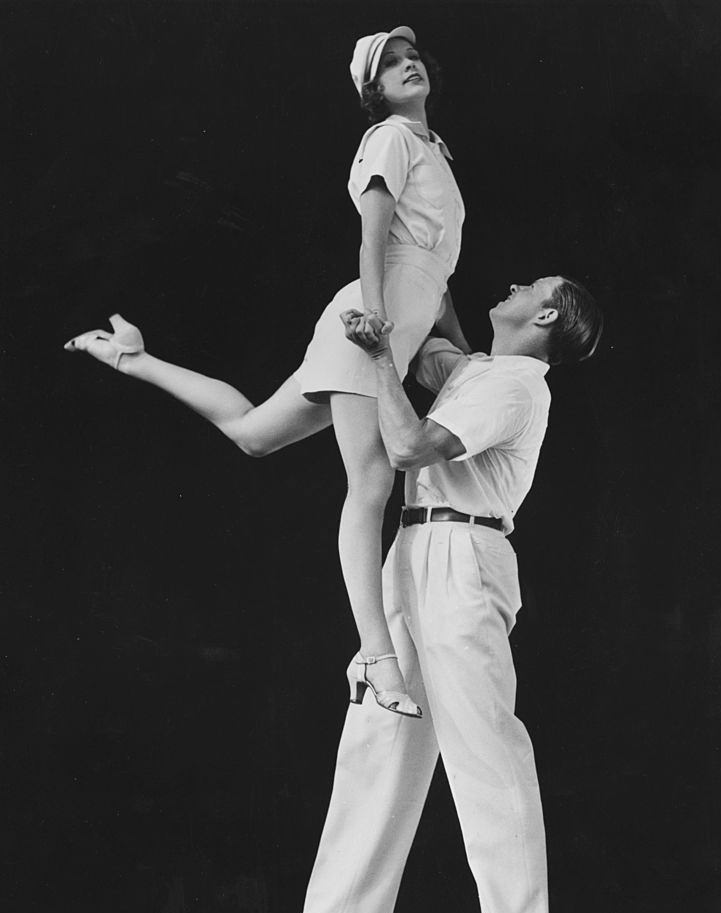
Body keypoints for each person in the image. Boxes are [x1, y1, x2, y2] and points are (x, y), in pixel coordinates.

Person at [63, 26, 468, 719]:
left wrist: (463, 353)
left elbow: (440, 278)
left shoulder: (435, 150)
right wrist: (372, 320)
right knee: (371, 483)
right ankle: (375, 656)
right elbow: (372, 234)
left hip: (399, 324)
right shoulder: (390, 139)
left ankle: (132, 357)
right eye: (389, 66)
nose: (407, 67)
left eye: (411, 58)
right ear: (371, 91)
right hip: (367, 323)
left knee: (253, 433)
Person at [249, 274, 603, 913]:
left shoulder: (514, 388)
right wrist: (425, 259)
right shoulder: (478, 371)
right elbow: (432, 341)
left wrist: (378, 358)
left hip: (464, 557)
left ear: (544, 315)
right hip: (413, 551)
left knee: (482, 745)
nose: (511, 282)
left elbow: (408, 448)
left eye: (530, 285)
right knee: (376, 737)